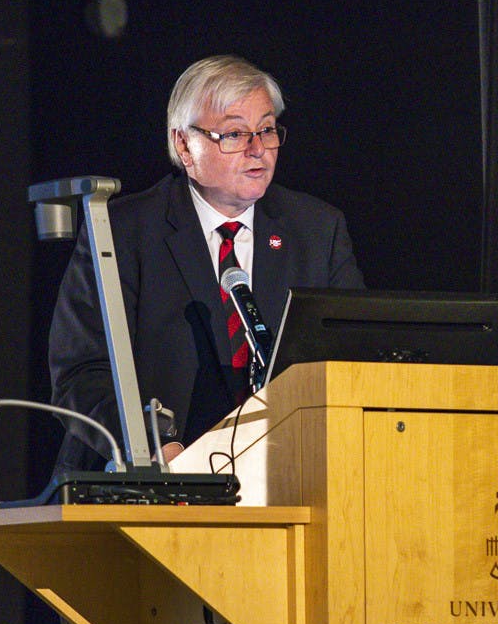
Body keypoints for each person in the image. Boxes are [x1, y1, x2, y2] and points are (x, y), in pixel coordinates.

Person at [49, 54, 365, 472]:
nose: (258, 150)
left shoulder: (317, 230)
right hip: (153, 481)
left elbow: (357, 359)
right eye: (234, 134)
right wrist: (149, 448)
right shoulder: (124, 231)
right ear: (184, 144)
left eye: (266, 130)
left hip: (286, 474)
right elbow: (81, 372)